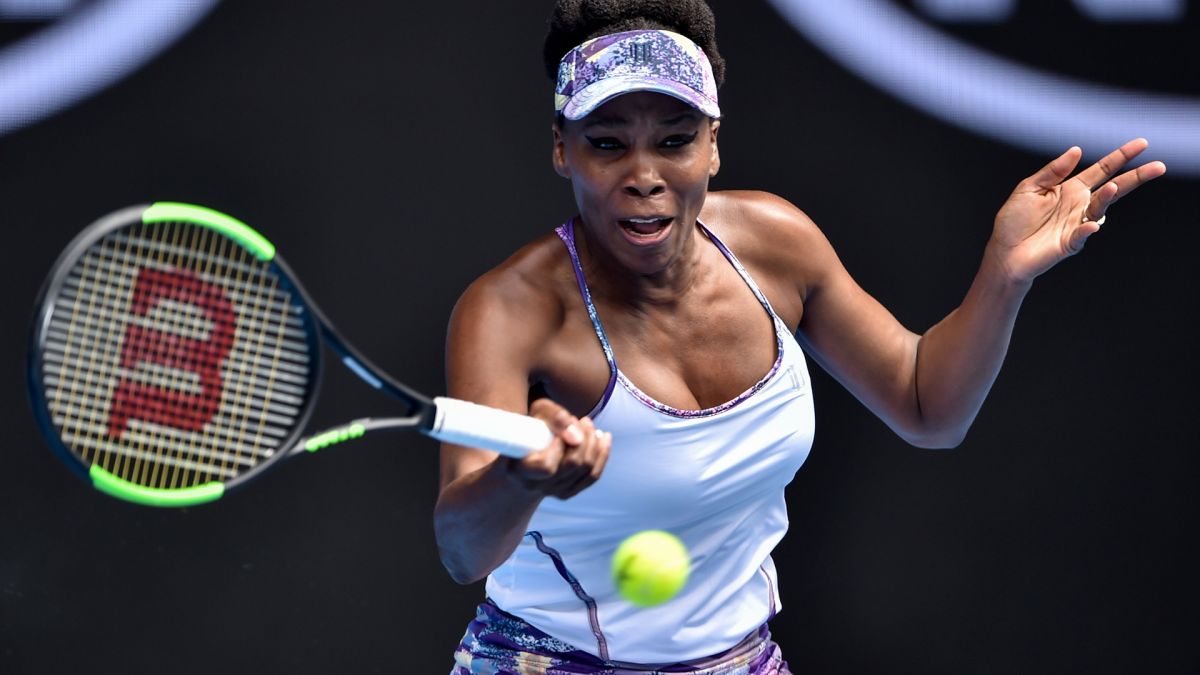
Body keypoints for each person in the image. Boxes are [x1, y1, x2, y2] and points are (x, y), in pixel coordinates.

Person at [434, 0, 1166, 672]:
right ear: (562, 149)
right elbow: (464, 550)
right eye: (606, 143)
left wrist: (1003, 276)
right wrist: (520, 477)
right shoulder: (509, 310)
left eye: (675, 140)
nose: (644, 175)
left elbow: (927, 407)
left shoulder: (775, 243)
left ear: (713, 146)